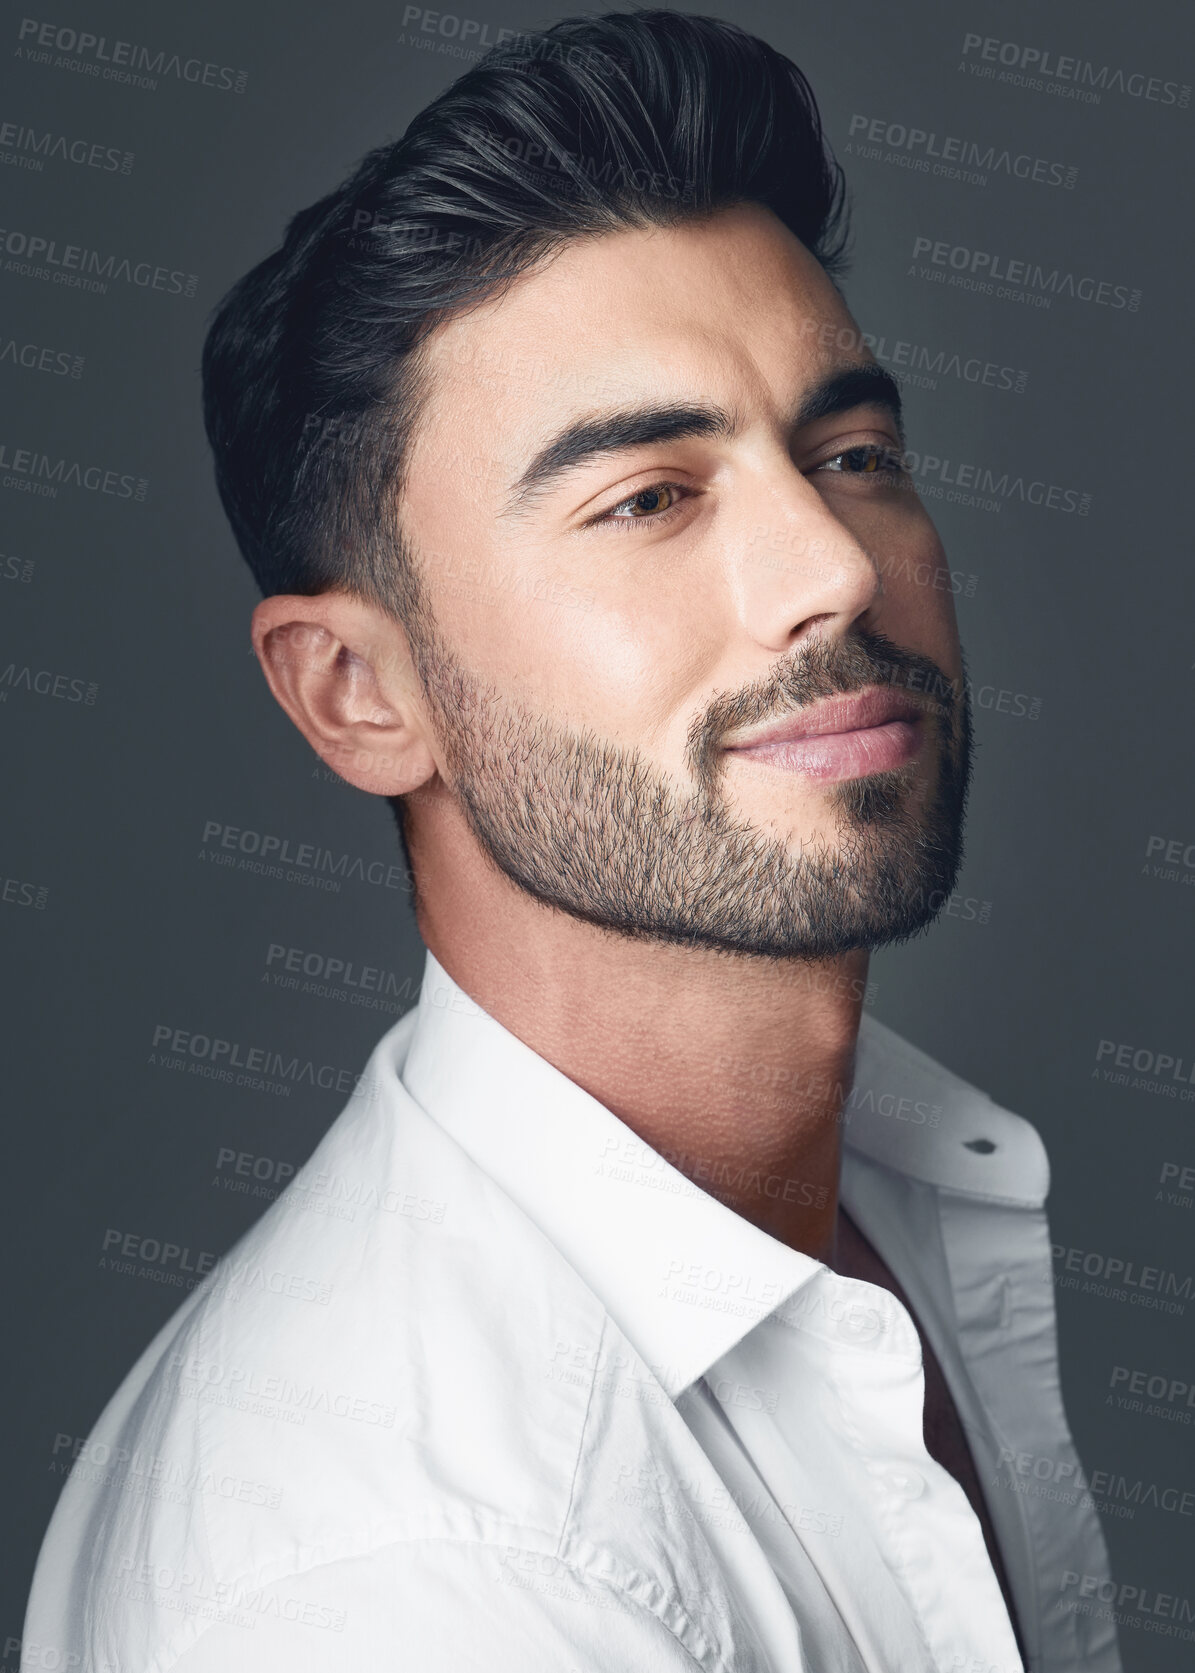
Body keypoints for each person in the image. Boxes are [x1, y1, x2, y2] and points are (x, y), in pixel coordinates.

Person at [25, 11, 1119, 1670]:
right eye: (649, 498)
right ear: (358, 691)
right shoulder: (407, 1582)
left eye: (853, 453)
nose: (828, 562)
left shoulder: (893, 1192)